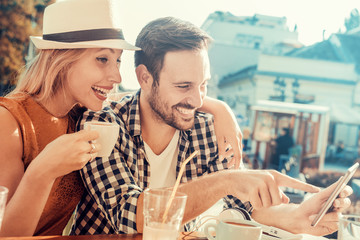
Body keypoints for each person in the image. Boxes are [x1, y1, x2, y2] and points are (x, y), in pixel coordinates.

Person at [71, 17, 352, 236]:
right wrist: (226, 181)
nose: (197, 100)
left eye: (203, 85)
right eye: (183, 86)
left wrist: (299, 216)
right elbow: (130, 216)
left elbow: (242, 206)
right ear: (144, 78)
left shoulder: (204, 129)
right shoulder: (103, 126)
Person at [0, 1, 248, 237]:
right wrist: (42, 170)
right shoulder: (9, 122)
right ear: (60, 57)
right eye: (102, 59)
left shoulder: (82, 116)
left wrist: (220, 109)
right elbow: (7, 235)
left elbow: (155, 95)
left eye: (118, 60)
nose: (117, 76)